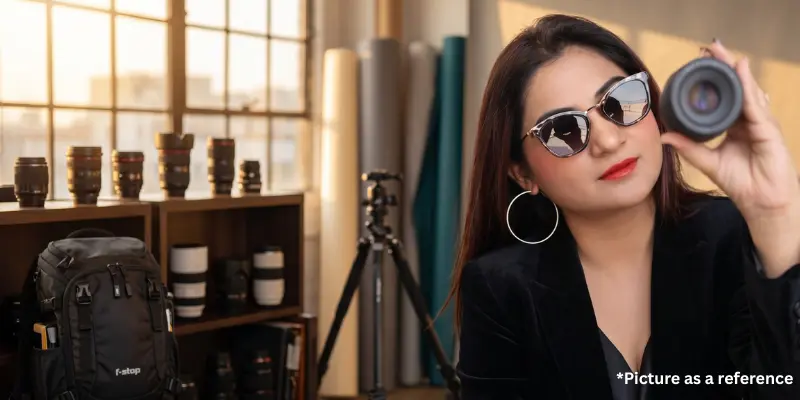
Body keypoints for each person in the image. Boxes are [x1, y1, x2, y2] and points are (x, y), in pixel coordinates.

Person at [449, 14, 800, 400]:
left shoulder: (734, 240)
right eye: (563, 129)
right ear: (522, 173)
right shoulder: (500, 288)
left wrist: (777, 215)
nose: (608, 140)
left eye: (621, 100)